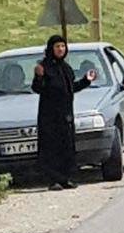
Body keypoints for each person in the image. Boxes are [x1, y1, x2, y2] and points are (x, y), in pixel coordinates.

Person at [31, 35, 96, 191]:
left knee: (66, 147)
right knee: (51, 148)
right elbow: (37, 88)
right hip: (49, 116)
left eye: (63, 46)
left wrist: (86, 80)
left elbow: (71, 88)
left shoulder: (66, 67)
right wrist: (39, 77)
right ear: (51, 49)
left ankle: (66, 178)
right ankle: (54, 180)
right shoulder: (44, 67)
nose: (60, 49)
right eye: (57, 46)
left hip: (66, 115)